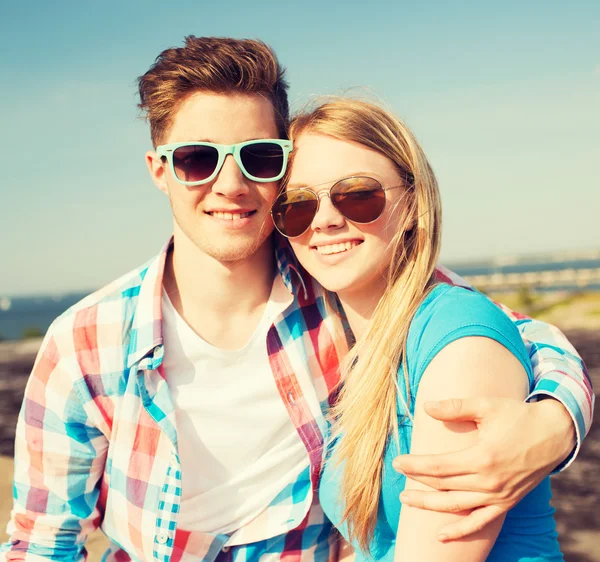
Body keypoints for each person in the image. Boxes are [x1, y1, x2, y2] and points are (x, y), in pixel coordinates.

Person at [0, 37, 593, 562]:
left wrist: (554, 420)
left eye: (258, 157)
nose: (229, 185)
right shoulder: (85, 339)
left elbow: (507, 333)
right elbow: (43, 539)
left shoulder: (335, 286)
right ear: (160, 170)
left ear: (283, 166)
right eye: (197, 158)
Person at [273, 97, 574, 560]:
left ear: (412, 205)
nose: (326, 220)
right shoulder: (364, 350)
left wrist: (562, 418)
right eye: (297, 205)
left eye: (357, 194)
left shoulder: (454, 337)